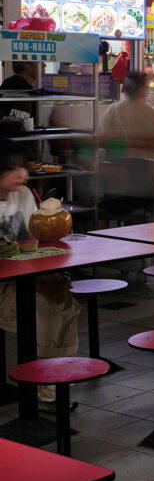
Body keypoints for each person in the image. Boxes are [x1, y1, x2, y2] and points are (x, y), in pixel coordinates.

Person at [0, 139, 81, 411]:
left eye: (23, 167)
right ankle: (43, 384)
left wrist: (47, 278)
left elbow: (36, 240)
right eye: (12, 169)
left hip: (25, 277)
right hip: (5, 284)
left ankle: (54, 377)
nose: (22, 175)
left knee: (64, 300)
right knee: (46, 307)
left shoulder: (22, 195)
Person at [99, 71, 154, 161]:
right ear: (142, 90)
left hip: (122, 164)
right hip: (147, 164)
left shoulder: (113, 109)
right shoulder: (150, 112)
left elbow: (104, 138)